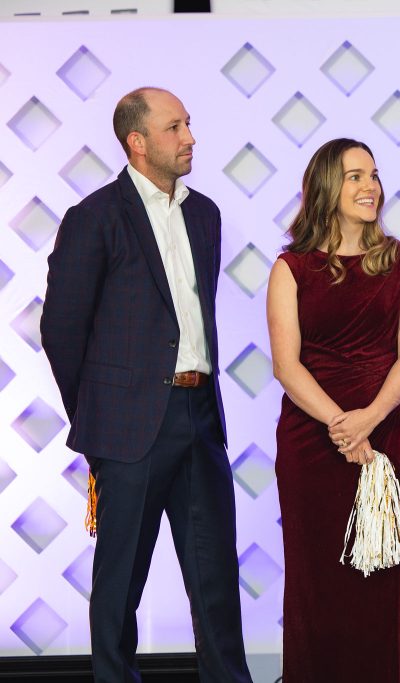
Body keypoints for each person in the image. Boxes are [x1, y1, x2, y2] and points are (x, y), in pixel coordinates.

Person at [39, 87, 252, 682]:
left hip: (200, 418)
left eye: (188, 124)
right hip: (127, 429)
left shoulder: (204, 214)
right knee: (120, 583)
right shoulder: (94, 218)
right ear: (137, 142)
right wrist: (98, 419)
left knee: (215, 579)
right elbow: (61, 329)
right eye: (174, 127)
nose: (190, 137)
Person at [267, 138, 400, 682]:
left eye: (375, 175)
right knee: (317, 579)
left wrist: (369, 420)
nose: (371, 187)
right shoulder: (291, 267)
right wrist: (343, 425)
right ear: (326, 188)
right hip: (313, 443)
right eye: (356, 176)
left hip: (388, 433)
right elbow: (287, 366)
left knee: (385, 578)